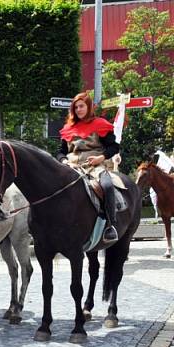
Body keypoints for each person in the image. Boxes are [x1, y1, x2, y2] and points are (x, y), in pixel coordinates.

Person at [57, 91, 121, 242]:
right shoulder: (68, 128)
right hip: (71, 166)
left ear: (89, 107)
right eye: (76, 107)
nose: (78, 109)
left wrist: (101, 158)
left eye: (81, 106)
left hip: (95, 166)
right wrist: (65, 161)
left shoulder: (100, 124)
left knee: (107, 186)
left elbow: (114, 147)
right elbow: (60, 152)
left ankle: (110, 225)